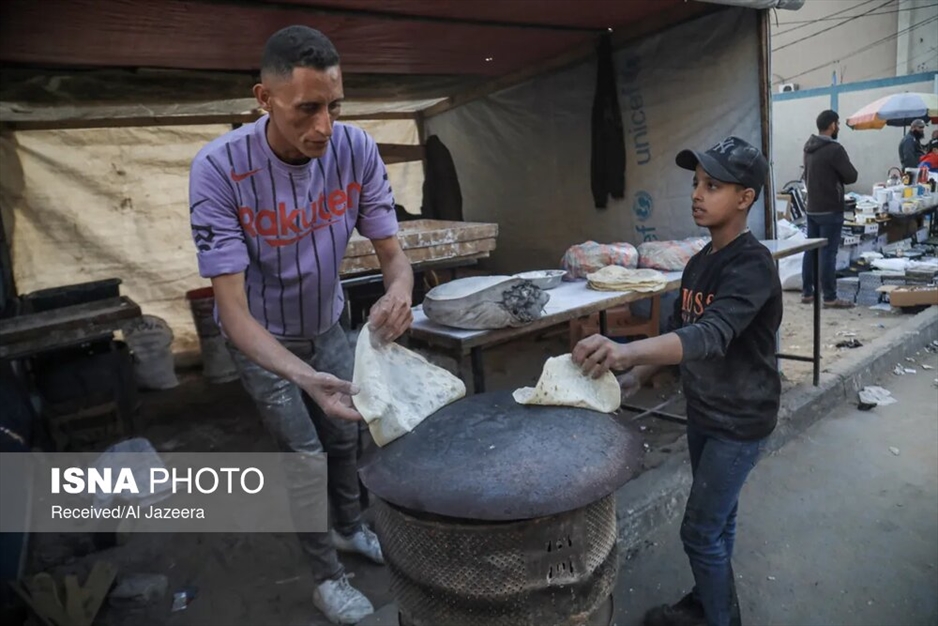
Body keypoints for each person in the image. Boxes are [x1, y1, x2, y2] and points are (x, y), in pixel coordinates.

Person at [188, 25, 414, 625]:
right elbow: (232, 313)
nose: (324, 127)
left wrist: (400, 293)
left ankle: (348, 527)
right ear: (264, 99)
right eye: (306, 109)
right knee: (305, 456)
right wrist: (304, 377)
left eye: (334, 106)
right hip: (264, 342)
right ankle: (325, 577)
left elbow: (394, 257)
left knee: (346, 435)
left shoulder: (356, 150)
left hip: (327, 325)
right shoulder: (219, 170)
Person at [573, 137, 781, 626]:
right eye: (696, 183)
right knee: (720, 521)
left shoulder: (752, 266)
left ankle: (720, 617)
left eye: (713, 186)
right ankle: (710, 600)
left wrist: (626, 350)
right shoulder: (699, 262)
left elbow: (710, 335)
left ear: (745, 197)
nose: (697, 194)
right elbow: (680, 327)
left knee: (699, 531)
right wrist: (638, 374)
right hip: (705, 409)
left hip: (740, 420)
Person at [801, 109, 858, 309]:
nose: (839, 127)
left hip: (812, 208)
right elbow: (851, 176)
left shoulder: (808, 147)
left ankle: (807, 292)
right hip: (830, 209)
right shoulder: (835, 149)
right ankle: (830, 297)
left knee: (811, 251)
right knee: (828, 253)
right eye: (838, 124)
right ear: (832, 125)